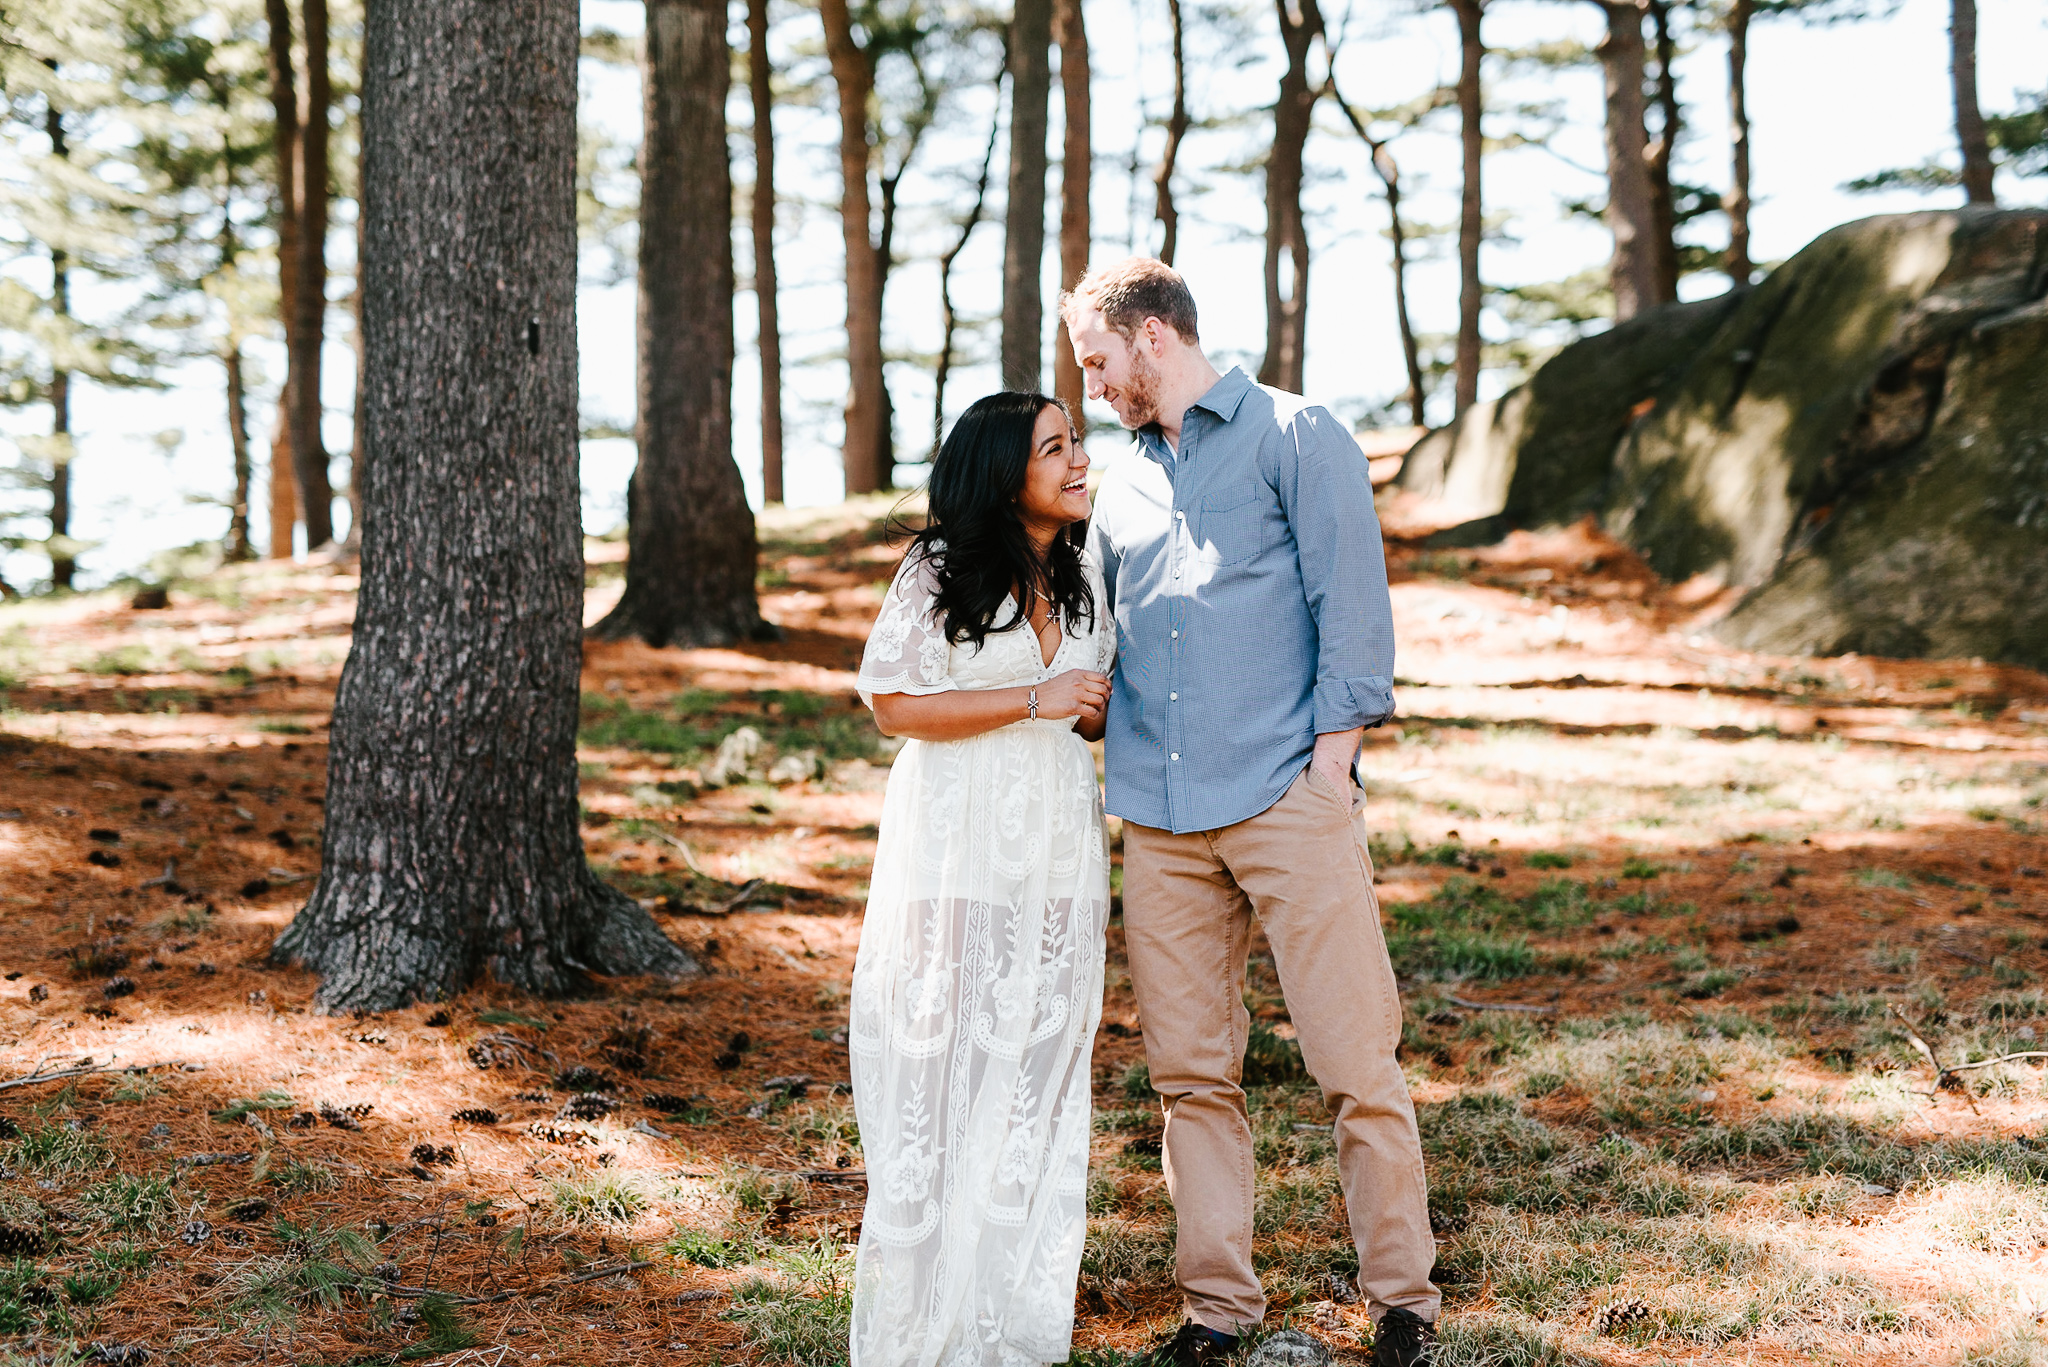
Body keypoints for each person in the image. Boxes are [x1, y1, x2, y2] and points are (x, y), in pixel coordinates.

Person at [1061, 258, 1439, 1367]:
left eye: (1097, 361)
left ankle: (1401, 1298)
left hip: (1285, 795)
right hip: (1160, 818)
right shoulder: (1117, 478)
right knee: (1187, 1074)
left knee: (1353, 1058)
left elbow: (1349, 599)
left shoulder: (1294, 431)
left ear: (1151, 337)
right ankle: (1216, 1309)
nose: (1091, 386)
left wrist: (1331, 763)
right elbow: (1102, 624)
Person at [848, 391, 1116, 1367]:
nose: (1079, 459)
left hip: (1053, 853)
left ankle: (1005, 1322)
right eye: (1056, 447)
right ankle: (919, 1323)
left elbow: (1086, 708)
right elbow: (890, 701)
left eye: (1077, 442)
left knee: (1033, 1077)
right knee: (939, 1074)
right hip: (953, 850)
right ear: (1005, 473)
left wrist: (1084, 710)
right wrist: (1032, 696)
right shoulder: (939, 568)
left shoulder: (1084, 572)